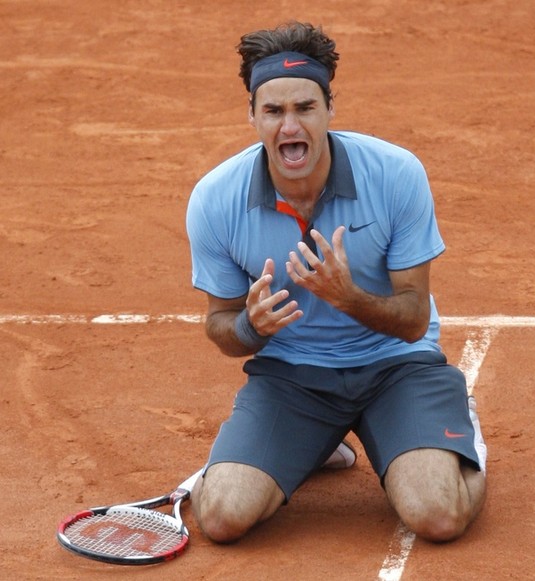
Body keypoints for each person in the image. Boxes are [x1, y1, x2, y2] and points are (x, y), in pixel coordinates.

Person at [186, 21, 487, 544]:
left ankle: (465, 442)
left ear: (329, 109)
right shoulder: (215, 200)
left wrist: (350, 299)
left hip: (396, 365)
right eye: (274, 111)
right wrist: (252, 328)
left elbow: (414, 319)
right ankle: (320, 443)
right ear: (252, 115)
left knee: (438, 515)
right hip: (292, 378)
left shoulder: (396, 174)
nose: (289, 126)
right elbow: (220, 324)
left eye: (304, 107)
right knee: (220, 518)